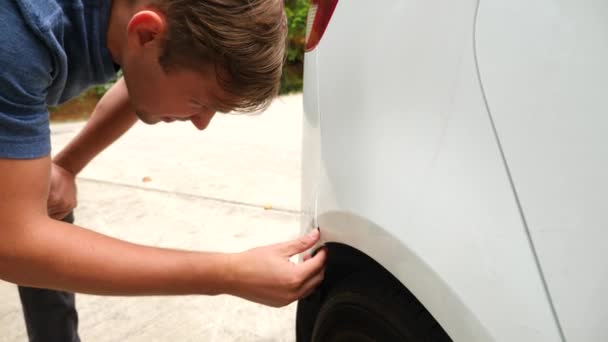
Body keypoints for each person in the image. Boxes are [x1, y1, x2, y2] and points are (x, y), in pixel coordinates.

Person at [0, 0, 327, 341]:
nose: (201, 124)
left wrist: (67, 166)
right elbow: (14, 244)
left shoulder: (132, 26)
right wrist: (226, 274)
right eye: (200, 103)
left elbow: (141, 78)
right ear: (146, 33)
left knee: (47, 202)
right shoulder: (18, 36)